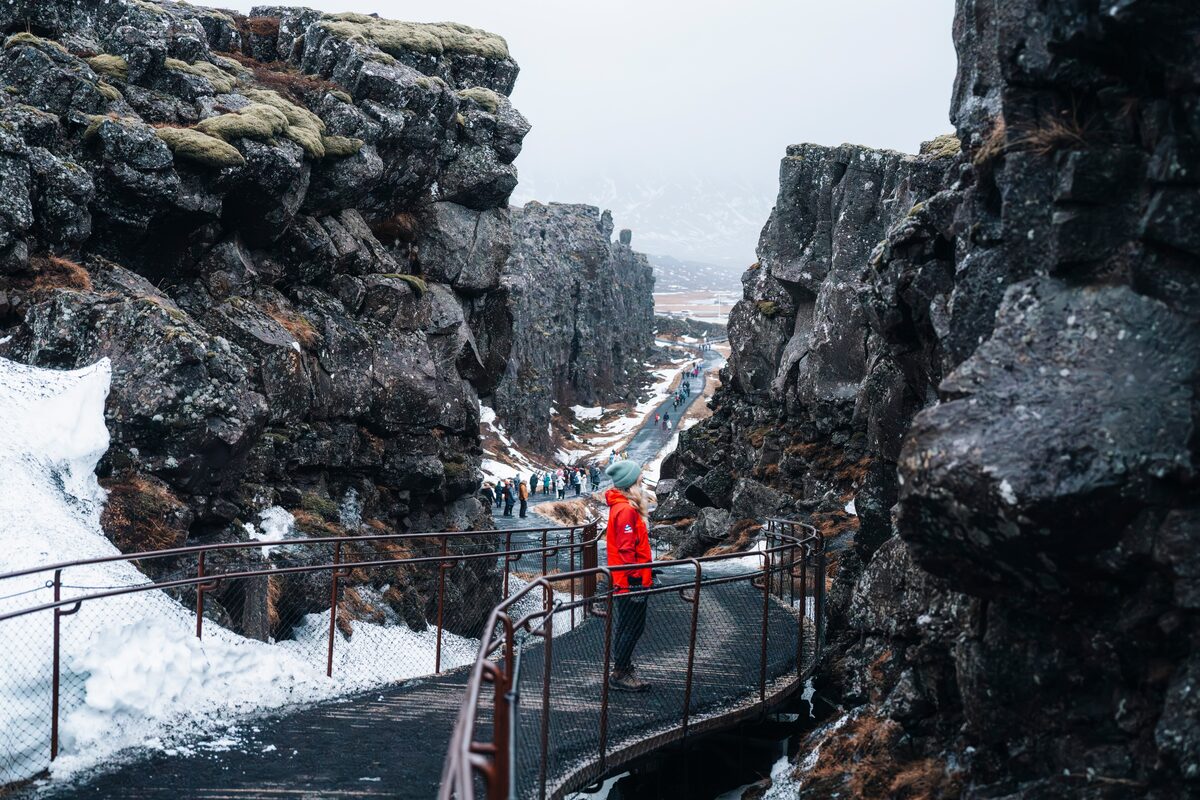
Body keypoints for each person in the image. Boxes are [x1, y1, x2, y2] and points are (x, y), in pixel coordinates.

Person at [603, 459, 653, 692]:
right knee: (633, 626)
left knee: (628, 625)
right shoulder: (624, 510)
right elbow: (626, 550)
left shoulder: (622, 507)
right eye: (639, 478)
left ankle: (622, 668)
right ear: (630, 483)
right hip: (630, 581)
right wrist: (637, 580)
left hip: (627, 579)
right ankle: (620, 673)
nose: (641, 481)